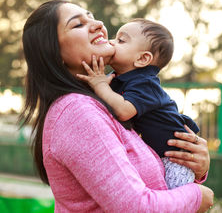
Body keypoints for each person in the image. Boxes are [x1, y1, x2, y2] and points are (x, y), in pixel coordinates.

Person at [20, 0, 213, 212]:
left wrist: (194, 166)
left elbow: (150, 185)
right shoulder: (77, 112)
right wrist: (196, 196)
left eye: (91, 16)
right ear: (53, 53)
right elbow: (135, 207)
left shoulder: (105, 101)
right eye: (78, 24)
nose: (98, 24)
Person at [77, 18, 200, 189]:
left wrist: (100, 85)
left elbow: (124, 111)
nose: (111, 42)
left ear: (142, 59)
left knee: (173, 201)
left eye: (121, 40)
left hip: (175, 160)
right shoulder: (118, 78)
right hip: (158, 156)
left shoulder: (145, 83)